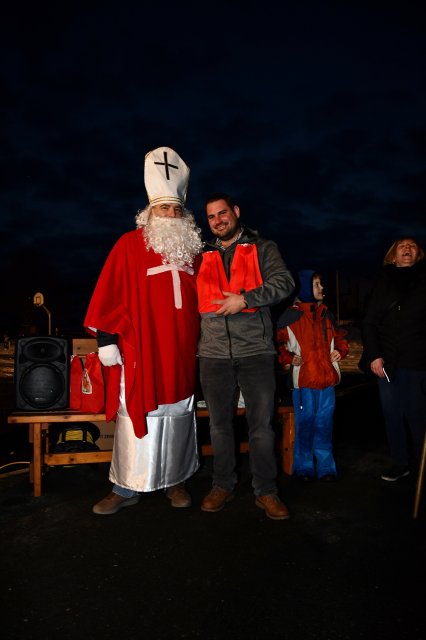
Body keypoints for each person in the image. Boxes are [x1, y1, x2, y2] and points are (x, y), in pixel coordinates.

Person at [84, 147, 204, 514]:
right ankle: (125, 486)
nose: (170, 214)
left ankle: (176, 479)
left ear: (185, 216)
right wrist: (107, 340)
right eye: (163, 208)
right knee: (135, 412)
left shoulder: (195, 253)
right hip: (141, 349)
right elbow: (109, 293)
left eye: (176, 209)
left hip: (182, 352)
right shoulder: (128, 245)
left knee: (178, 413)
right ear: (149, 213)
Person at [197, 192, 295, 520]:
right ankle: (222, 484)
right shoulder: (199, 255)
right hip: (212, 355)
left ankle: (266, 491)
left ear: (236, 212)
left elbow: (284, 283)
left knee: (262, 428)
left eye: (223, 213)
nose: (218, 221)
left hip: (255, 351)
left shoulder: (262, 247)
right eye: (211, 217)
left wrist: (246, 299)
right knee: (220, 427)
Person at [361, 237, 426, 482]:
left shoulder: (423, 281)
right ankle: (400, 463)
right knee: (392, 415)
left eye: (412, 246)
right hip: (387, 362)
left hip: (418, 361)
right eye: (402, 246)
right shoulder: (383, 283)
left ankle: (421, 466)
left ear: (418, 254)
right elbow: (368, 322)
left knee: (417, 416)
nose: (407, 248)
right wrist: (375, 355)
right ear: (393, 256)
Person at [276, 270, 349, 481]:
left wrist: (340, 350)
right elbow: (276, 343)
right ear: (305, 287)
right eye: (317, 284)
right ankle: (304, 467)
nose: (322, 288)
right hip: (304, 381)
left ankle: (326, 467)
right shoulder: (290, 316)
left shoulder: (327, 314)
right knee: (305, 424)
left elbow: (341, 336)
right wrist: (289, 358)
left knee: (324, 424)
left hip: (327, 381)